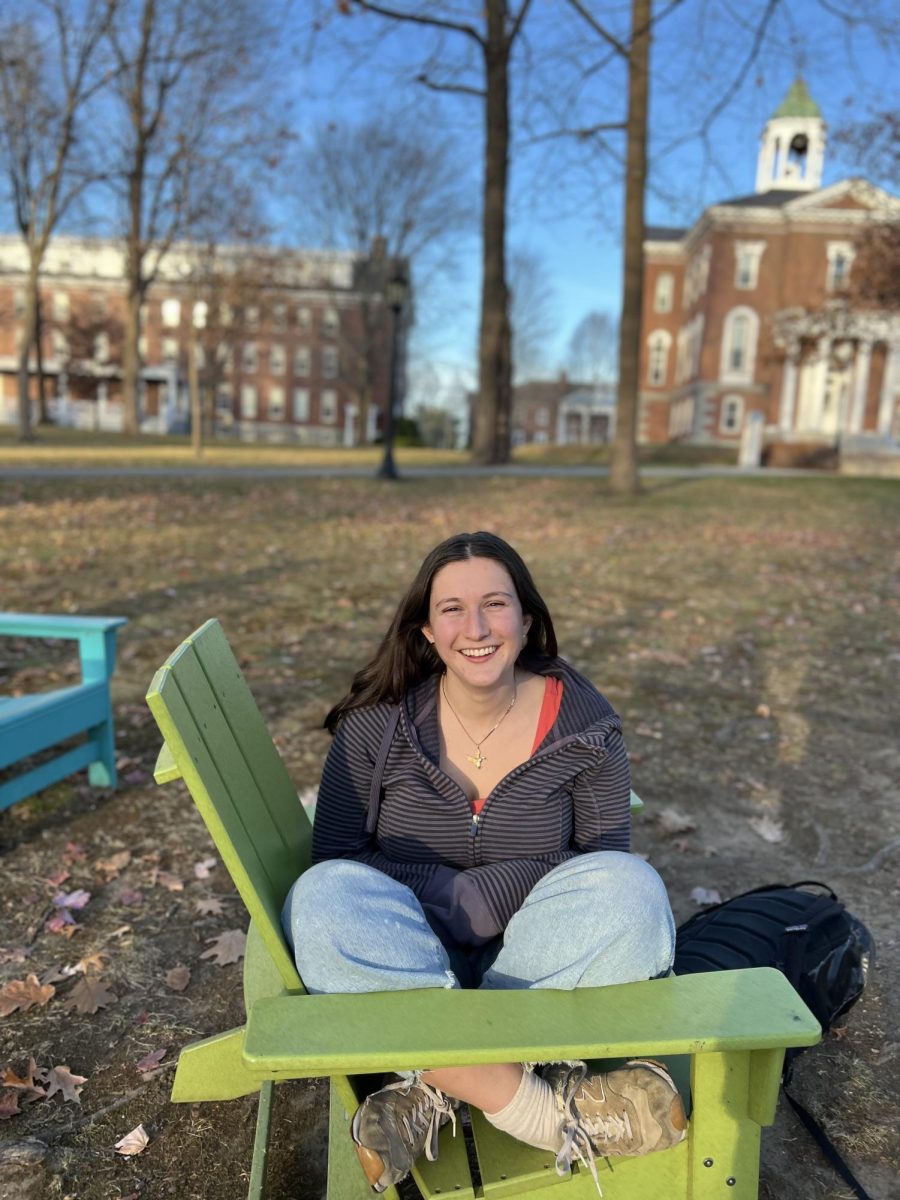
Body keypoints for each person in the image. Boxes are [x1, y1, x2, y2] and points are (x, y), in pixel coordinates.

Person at [282, 531, 686, 1194]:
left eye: (495, 604)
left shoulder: (586, 730)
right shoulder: (375, 727)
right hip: (405, 953)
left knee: (634, 893)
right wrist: (445, 896)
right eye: (452, 609)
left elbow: (602, 863)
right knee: (322, 898)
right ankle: (542, 1110)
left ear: (526, 621)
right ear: (425, 631)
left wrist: (493, 895)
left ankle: (433, 1083)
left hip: (537, 964)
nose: (476, 627)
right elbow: (340, 858)